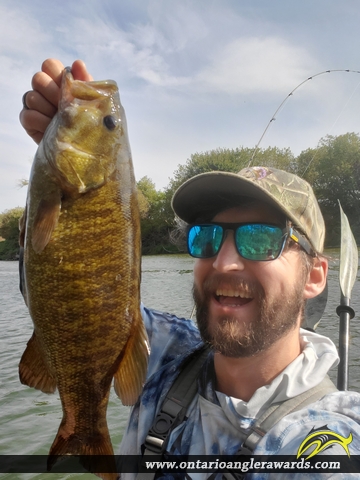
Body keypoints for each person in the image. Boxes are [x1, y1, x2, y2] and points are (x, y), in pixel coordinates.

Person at [20, 59, 360, 479]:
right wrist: (53, 174)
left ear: (315, 277)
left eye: (260, 238)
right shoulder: (164, 352)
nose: (224, 261)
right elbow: (70, 303)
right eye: (207, 237)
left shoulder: (323, 444)